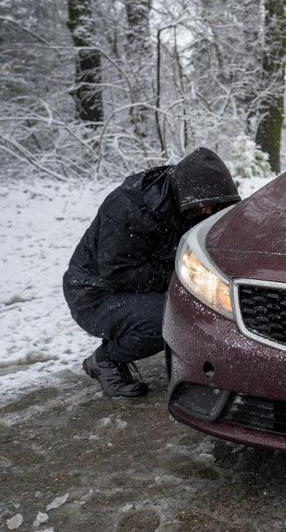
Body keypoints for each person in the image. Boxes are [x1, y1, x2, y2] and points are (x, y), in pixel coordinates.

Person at [63, 147, 240, 398]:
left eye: (214, 207)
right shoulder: (128, 207)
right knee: (172, 316)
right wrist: (184, 275)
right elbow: (120, 272)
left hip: (137, 286)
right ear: (186, 195)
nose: (208, 214)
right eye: (204, 208)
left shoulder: (189, 202)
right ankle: (106, 360)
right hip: (94, 295)